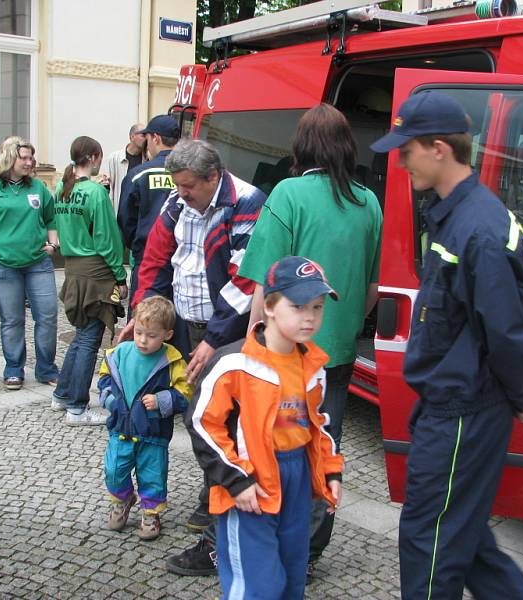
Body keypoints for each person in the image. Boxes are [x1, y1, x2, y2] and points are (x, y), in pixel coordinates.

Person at [369, 91, 523, 599]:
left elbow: (506, 330)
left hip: (462, 412)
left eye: (406, 150)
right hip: (452, 407)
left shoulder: (481, 231)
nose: (401, 161)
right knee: (465, 540)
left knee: (429, 542)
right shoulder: (456, 215)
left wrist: (521, 389)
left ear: (438, 149)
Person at [237, 102, 383, 569]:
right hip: (336, 351)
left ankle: (269, 538)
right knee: (324, 444)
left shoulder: (287, 193)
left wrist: (254, 337)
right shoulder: (370, 202)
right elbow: (373, 285)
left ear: (301, 147)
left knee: (269, 441)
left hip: (284, 351)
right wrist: (343, 325)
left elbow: (266, 279)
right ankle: (310, 549)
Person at [118, 139, 266, 536]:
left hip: (226, 331)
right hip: (184, 326)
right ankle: (214, 490)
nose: (180, 192)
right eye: (177, 185)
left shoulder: (247, 202)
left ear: (213, 177)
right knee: (194, 412)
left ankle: (218, 498)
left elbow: (246, 278)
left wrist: (214, 338)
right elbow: (154, 259)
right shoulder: (176, 201)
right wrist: (143, 311)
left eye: (187, 186)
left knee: (222, 417)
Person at [186, 256, 343, 600]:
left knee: (292, 574)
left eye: (317, 307)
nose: (310, 317)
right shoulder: (234, 363)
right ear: (269, 306)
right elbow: (201, 423)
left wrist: (331, 471)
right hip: (251, 483)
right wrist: (235, 480)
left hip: (297, 478)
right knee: (257, 585)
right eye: (299, 306)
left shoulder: (314, 364)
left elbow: (319, 424)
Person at [0, 137, 60, 391]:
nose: (29, 162)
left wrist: (53, 244)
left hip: (38, 262)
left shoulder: (38, 188)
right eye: (24, 157)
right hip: (2, 265)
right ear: (9, 159)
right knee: (12, 319)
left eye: (31, 158)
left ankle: (46, 367)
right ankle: (14, 368)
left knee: (48, 316)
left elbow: (51, 219)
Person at [99, 295, 192, 540]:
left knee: (152, 474)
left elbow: (185, 391)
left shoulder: (171, 359)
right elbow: (105, 377)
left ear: (167, 335)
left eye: (151, 335)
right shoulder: (120, 353)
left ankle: (151, 513)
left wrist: (163, 401)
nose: (142, 340)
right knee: (114, 470)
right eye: (139, 332)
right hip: (121, 428)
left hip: (153, 434)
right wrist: (110, 400)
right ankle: (122, 499)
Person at [51, 136, 127, 426]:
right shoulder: (95, 193)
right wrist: (120, 276)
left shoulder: (61, 187)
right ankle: (77, 407)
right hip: (95, 271)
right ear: (94, 157)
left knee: (82, 334)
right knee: (88, 339)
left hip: (73, 269)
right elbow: (107, 239)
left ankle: (62, 394)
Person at [117, 115, 179, 302]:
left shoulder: (138, 175)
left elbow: (125, 221)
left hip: (148, 261)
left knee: (145, 321)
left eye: (147, 138)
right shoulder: (191, 173)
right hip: (184, 263)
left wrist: (138, 246)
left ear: (156, 138)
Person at [99, 122, 145, 216]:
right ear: (132, 137)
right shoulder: (115, 158)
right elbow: (109, 187)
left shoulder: (148, 159)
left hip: (139, 214)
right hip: (120, 213)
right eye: (143, 135)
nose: (146, 138)